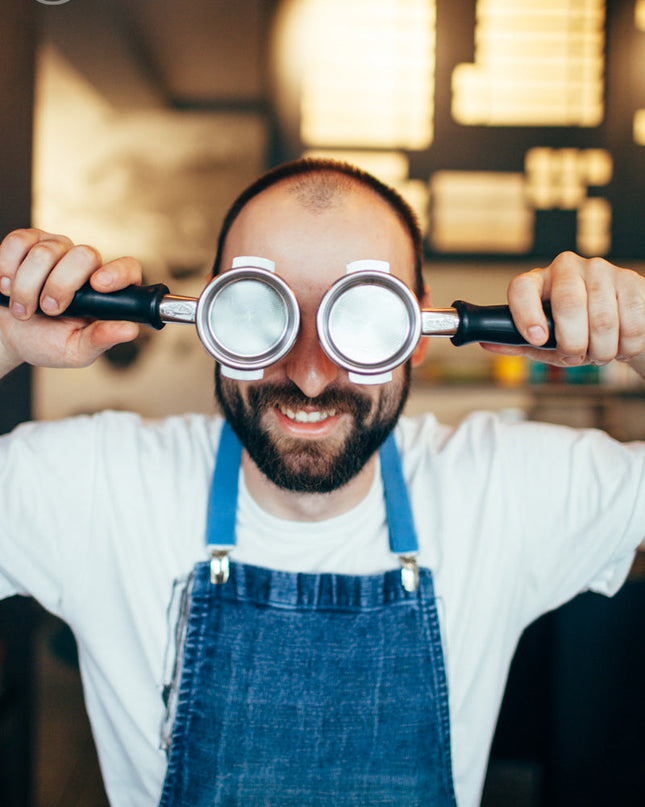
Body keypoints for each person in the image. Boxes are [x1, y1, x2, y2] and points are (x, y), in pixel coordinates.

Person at [1, 158, 645, 807]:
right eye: (259, 311)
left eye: (362, 319)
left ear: (415, 335)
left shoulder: (505, 488)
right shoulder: (92, 484)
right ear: (210, 322)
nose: (310, 373)